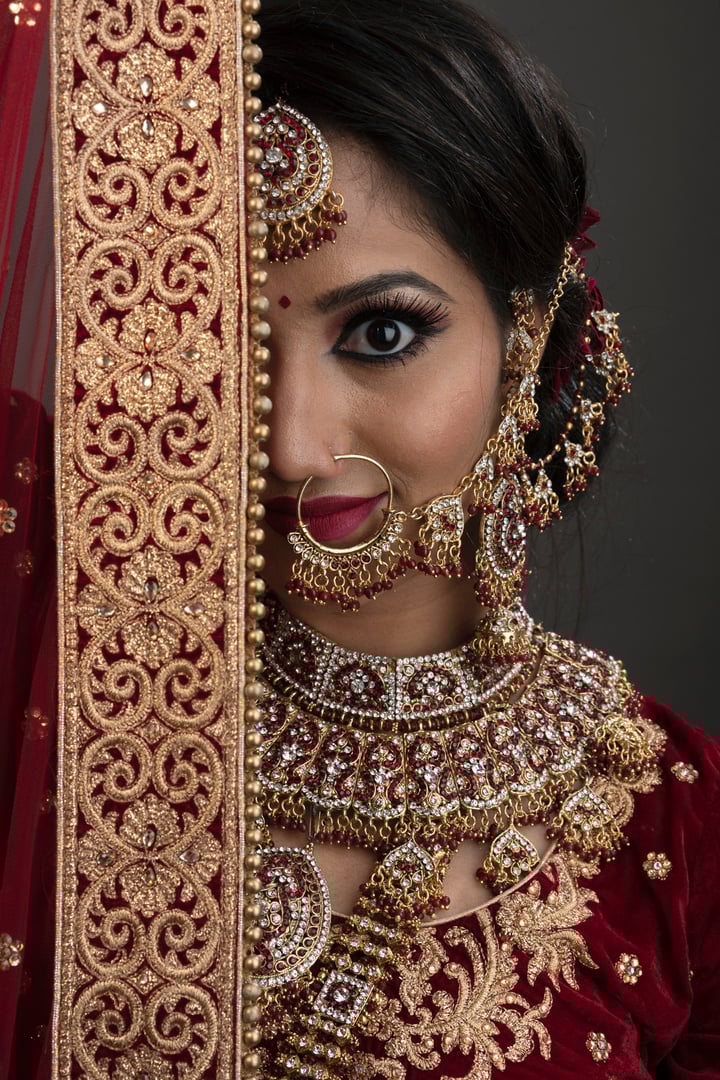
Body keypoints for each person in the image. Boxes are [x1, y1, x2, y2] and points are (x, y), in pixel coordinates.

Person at [248, 1, 720, 1077]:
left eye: (381, 333)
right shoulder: (69, 733)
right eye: (232, 347)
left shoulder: (678, 827)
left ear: (528, 337)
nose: (292, 445)